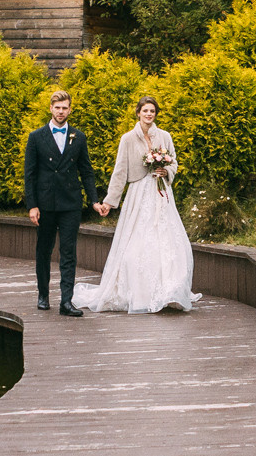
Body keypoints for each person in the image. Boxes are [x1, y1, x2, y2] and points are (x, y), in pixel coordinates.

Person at [77, 96, 200, 314]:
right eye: (145, 111)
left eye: (152, 111)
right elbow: (120, 171)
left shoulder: (165, 136)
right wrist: (109, 202)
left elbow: (174, 161)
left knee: (168, 241)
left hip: (161, 193)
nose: (149, 114)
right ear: (138, 113)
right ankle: (139, 292)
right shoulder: (128, 139)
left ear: (156, 114)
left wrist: (167, 171)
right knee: (137, 243)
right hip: (138, 195)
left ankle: (169, 291)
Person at [22, 89, 101, 316]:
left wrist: (93, 200)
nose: (61, 111)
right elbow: (30, 174)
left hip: (70, 204)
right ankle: (43, 294)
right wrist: (32, 205)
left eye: (65, 108)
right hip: (45, 204)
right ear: (51, 108)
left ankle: (66, 301)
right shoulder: (36, 137)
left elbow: (86, 171)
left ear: (70, 110)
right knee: (43, 250)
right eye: (57, 107)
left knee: (69, 252)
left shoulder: (79, 137)